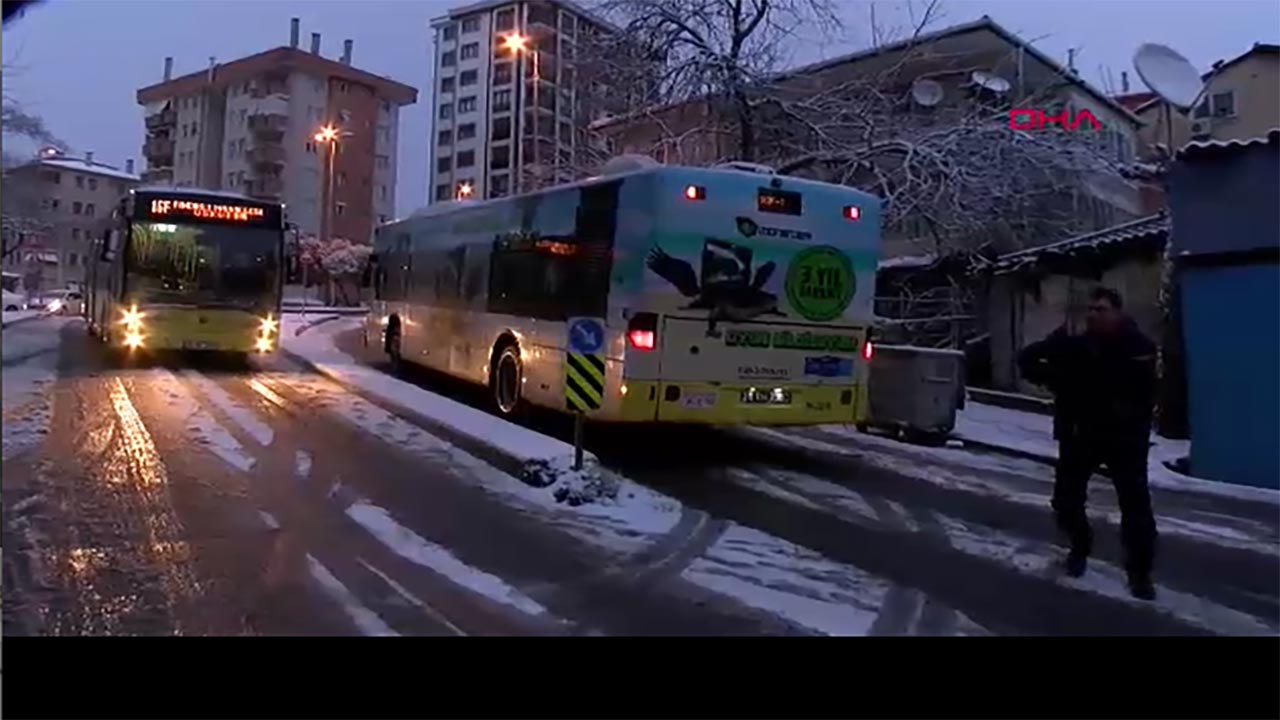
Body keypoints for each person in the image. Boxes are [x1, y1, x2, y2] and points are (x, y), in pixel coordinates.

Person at [1018, 286, 1159, 600]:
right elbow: (1027, 359)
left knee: (1135, 508)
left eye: (1102, 309)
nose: (1094, 314)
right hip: (1081, 434)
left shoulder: (1137, 345)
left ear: (1118, 313)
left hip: (1123, 438)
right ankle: (1079, 547)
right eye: (1091, 309)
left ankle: (1140, 574)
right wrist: (1053, 374)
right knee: (1066, 501)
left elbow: (1143, 392)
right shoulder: (1073, 343)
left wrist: (1118, 410)